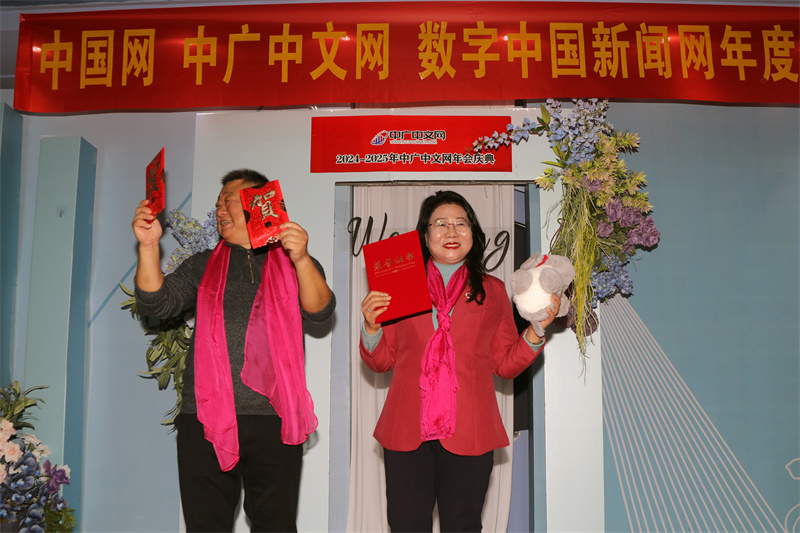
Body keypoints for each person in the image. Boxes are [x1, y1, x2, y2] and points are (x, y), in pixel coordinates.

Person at [132, 168, 335, 532]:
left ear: (259, 204)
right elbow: (157, 304)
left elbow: (320, 312)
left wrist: (303, 259)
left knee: (277, 526)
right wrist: (148, 246)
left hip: (275, 419)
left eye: (228, 202)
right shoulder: (202, 264)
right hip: (206, 418)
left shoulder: (294, 261)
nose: (219, 210)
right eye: (218, 204)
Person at [360, 190, 560, 532]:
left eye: (460, 223)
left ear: (473, 233)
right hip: (407, 429)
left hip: (470, 428)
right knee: (406, 525)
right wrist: (371, 328)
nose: (451, 231)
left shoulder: (493, 290)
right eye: (440, 224)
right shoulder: (398, 283)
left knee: (463, 525)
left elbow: (504, 364)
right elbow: (382, 362)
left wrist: (536, 332)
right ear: (425, 236)